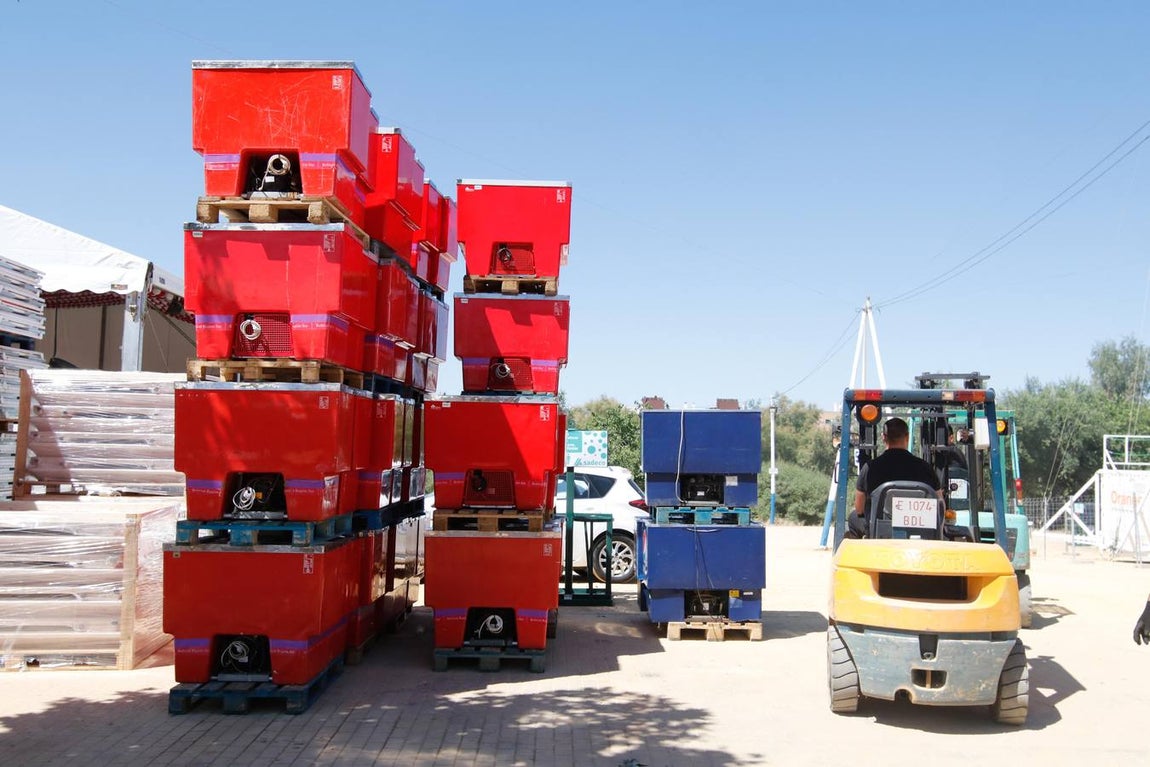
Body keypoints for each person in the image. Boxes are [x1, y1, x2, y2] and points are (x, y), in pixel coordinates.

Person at [848, 417, 942, 538]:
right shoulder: (926, 468)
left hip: (881, 529)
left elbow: (859, 508)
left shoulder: (870, 468)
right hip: (921, 531)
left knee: (853, 517)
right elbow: (939, 502)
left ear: (883, 437)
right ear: (907, 437)